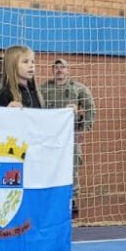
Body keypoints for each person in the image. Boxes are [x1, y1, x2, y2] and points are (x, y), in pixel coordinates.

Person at [0, 44, 52, 251]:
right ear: (12, 65)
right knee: (13, 209)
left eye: (33, 62)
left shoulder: (34, 92)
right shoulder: (5, 94)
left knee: (29, 210)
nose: (32, 66)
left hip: (32, 161)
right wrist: (6, 112)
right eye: (26, 62)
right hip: (12, 162)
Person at [40, 57, 96, 217]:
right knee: (48, 167)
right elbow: (35, 108)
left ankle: (72, 200)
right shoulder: (43, 89)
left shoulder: (78, 88)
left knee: (72, 167)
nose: (59, 70)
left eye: (62, 67)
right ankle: (49, 200)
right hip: (49, 137)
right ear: (52, 70)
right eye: (56, 67)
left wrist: (83, 129)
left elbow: (91, 109)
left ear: (68, 70)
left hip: (71, 135)